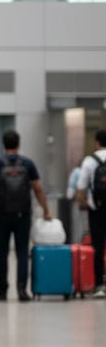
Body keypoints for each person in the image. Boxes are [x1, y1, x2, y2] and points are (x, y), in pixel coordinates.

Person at [0, 129, 52, 302]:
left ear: (4, 145)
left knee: (2, 252)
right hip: (22, 214)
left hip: (1, 214)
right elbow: (38, 189)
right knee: (22, 252)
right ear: (18, 144)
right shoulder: (27, 164)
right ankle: (22, 290)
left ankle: (2, 291)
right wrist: (46, 210)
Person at [76, 128, 106, 298]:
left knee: (98, 246)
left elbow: (81, 189)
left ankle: (99, 285)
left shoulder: (90, 160)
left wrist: (84, 205)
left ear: (97, 142)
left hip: (97, 210)